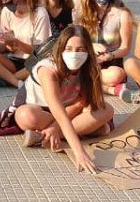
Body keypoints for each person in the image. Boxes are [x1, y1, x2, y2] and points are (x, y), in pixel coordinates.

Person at [15, 25, 115, 173]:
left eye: (80, 50)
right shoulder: (47, 69)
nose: (74, 54)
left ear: (88, 51)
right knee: (25, 116)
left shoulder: (90, 67)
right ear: (61, 49)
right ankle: (77, 132)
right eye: (68, 49)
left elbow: (82, 103)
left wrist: (55, 128)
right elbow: (57, 110)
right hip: (42, 109)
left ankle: (43, 135)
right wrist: (79, 153)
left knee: (107, 110)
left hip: (72, 109)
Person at [75, 0, 134, 94]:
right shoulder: (81, 13)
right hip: (86, 62)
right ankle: (109, 89)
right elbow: (75, 41)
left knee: (116, 75)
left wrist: (110, 55)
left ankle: (87, 84)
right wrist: (90, 46)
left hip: (110, 65)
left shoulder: (122, 14)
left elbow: (125, 48)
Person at [0, 0, 51, 68]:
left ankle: (14, 80)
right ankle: (15, 80)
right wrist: (5, 42)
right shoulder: (6, 11)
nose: (3, 3)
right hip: (12, 59)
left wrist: (16, 42)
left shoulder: (39, 14)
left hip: (33, 62)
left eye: (5, 0)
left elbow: (39, 52)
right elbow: (10, 49)